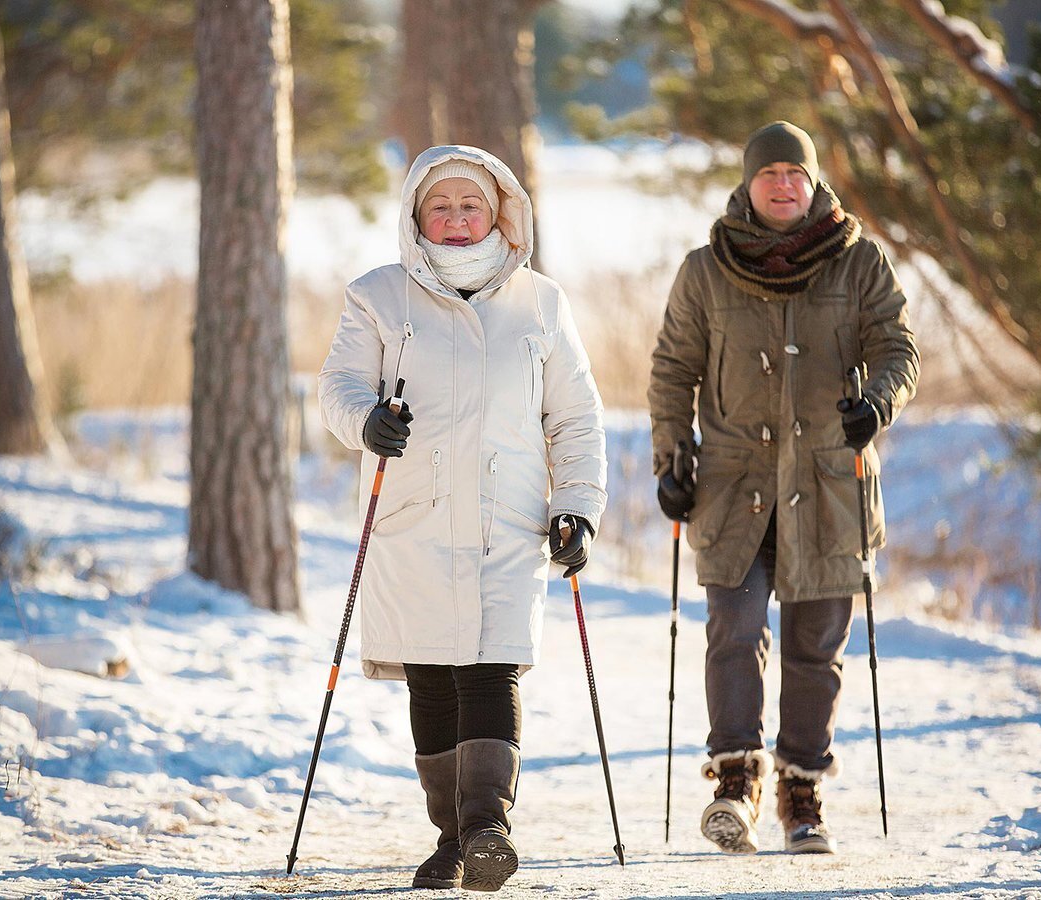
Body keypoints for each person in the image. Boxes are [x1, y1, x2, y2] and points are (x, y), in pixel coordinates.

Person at [318, 145, 607, 891]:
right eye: (439, 206)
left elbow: (574, 417)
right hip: (413, 517)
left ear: (499, 213)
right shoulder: (378, 297)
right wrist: (367, 421)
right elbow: (339, 388)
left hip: (507, 519)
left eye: (469, 205)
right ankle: (452, 839)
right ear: (416, 217)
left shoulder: (541, 302)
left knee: (490, 667)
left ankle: (487, 827)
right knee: (430, 677)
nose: (455, 218)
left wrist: (577, 506)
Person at [648, 121, 918, 856]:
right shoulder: (706, 269)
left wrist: (877, 405)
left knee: (815, 647)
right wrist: (672, 458)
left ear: (813, 181)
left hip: (829, 483)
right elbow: (673, 369)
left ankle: (802, 790)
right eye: (769, 173)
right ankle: (736, 780)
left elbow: (897, 348)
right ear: (748, 183)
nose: (782, 184)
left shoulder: (859, 262)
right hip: (732, 487)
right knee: (734, 632)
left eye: (794, 173)